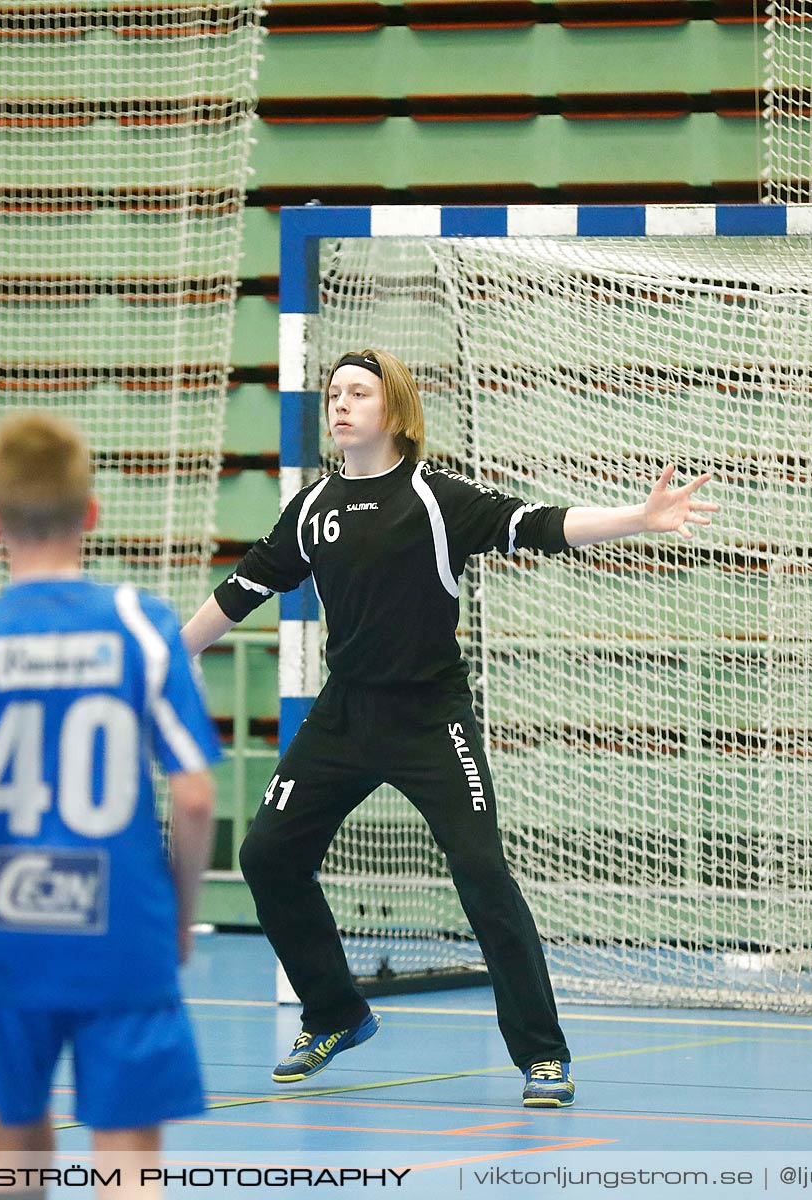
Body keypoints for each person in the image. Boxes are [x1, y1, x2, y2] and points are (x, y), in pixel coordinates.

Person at [179, 349, 714, 1109]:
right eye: (334, 393)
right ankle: (333, 1012)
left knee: (483, 877)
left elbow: (539, 525)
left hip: (431, 718)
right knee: (266, 855)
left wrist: (638, 517)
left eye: (358, 393)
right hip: (344, 715)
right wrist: (171, 655)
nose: (340, 403)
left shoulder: (436, 496)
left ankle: (543, 1056)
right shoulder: (311, 508)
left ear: (394, 411)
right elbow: (244, 587)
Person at [0, 412, 220, 1198]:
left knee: (17, 1159)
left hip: (7, 931)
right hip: (121, 931)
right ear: (90, 515)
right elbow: (195, 796)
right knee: (129, 1164)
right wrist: (177, 917)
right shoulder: (142, 626)